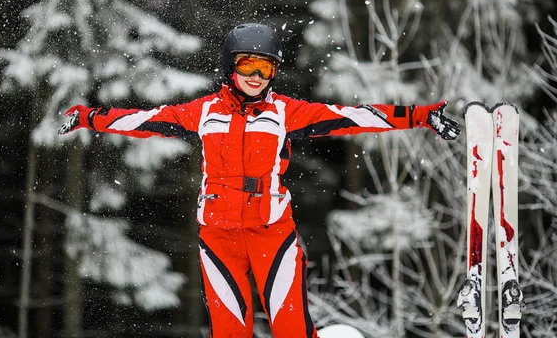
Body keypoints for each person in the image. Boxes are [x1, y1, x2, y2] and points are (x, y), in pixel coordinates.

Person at [59, 23, 460, 338]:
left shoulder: (285, 113)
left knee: (292, 331)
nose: (255, 75)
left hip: (272, 234)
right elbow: (142, 121)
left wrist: (421, 115)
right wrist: (88, 116)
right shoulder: (203, 113)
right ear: (229, 66)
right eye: (246, 64)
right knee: (230, 331)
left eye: (265, 66)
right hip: (218, 237)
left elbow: (356, 117)